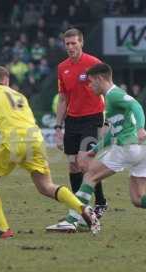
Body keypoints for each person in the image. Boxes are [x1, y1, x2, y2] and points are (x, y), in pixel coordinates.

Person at [0, 66, 100, 239]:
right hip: (36, 138)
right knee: (46, 186)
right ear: (7, 80)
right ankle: (82, 208)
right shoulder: (19, 95)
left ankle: (3, 229)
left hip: (14, 139)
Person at [73, 63, 146, 228]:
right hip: (144, 150)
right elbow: (113, 132)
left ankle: (74, 220)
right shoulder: (111, 98)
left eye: (91, 82)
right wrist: (94, 150)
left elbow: (137, 106)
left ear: (100, 79)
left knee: (90, 176)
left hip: (128, 147)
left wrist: (141, 127)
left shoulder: (113, 94)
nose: (89, 86)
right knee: (138, 198)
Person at [46, 28, 107, 232]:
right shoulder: (62, 68)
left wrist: (107, 118)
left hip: (92, 117)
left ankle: (99, 203)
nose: (70, 47)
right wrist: (57, 126)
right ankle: (80, 208)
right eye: (67, 44)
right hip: (72, 120)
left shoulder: (93, 63)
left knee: (84, 163)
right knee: (72, 166)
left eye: (74, 43)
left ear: (81, 43)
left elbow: (106, 89)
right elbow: (63, 99)